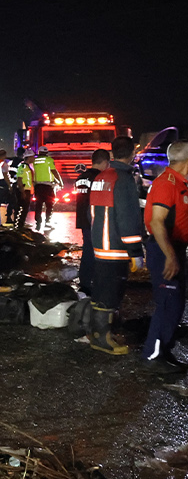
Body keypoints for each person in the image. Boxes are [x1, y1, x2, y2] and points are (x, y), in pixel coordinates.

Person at [86, 136, 143, 355]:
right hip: (116, 248)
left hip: (100, 244)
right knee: (111, 293)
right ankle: (103, 339)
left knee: (101, 289)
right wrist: (135, 251)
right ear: (133, 154)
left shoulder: (102, 177)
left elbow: (91, 213)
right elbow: (128, 218)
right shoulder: (124, 179)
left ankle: (97, 333)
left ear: (112, 153)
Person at [142, 140, 188, 371]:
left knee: (176, 302)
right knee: (168, 303)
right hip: (164, 249)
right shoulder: (166, 183)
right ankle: (153, 355)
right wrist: (170, 256)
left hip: (174, 248)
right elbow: (156, 222)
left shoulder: (179, 182)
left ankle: (164, 349)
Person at [74, 149, 110, 295]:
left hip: (83, 218)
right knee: (94, 252)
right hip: (95, 219)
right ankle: (91, 284)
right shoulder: (100, 178)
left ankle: (85, 281)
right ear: (105, 162)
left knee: (87, 250)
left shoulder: (81, 177)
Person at [30, 147, 64, 230]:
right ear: (47, 152)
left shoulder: (34, 160)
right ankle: (47, 222)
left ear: (39, 152)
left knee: (38, 204)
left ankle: (38, 222)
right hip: (48, 186)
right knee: (49, 204)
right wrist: (60, 181)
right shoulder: (49, 160)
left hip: (38, 185)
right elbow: (54, 171)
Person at [15, 152, 34, 229]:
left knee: (25, 208)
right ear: (28, 157)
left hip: (27, 190)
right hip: (23, 190)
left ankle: (21, 225)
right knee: (22, 208)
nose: (34, 158)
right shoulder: (23, 167)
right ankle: (19, 226)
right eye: (32, 157)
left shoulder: (28, 167)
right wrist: (22, 192)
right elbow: (19, 179)